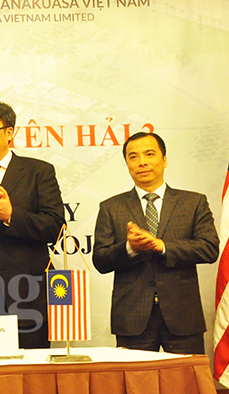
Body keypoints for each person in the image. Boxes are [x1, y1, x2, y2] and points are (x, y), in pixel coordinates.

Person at [92, 132, 218, 354]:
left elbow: (209, 248)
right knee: (136, 377)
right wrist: (130, 248)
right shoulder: (111, 207)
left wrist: (162, 246)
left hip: (183, 315)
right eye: (133, 157)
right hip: (132, 317)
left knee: (185, 377)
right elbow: (100, 260)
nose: (142, 162)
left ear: (164, 159)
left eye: (149, 154)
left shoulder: (194, 202)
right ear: (127, 164)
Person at [0, 101, 64, 348]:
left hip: (28, 293)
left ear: (9, 132)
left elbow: (55, 226)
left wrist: (11, 216)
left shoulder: (38, 171)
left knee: (31, 368)